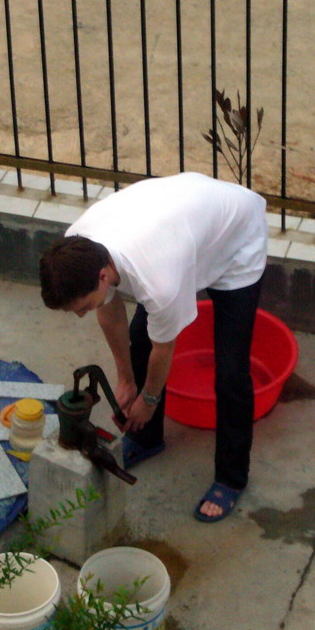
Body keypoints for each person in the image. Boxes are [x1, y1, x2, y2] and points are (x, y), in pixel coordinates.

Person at [38, 172, 268, 522]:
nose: (82, 314)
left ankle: (231, 478)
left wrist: (148, 399)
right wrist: (126, 380)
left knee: (231, 374)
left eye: (82, 305)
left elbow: (166, 348)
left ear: (102, 275)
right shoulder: (78, 247)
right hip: (180, 230)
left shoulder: (158, 279)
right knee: (140, 338)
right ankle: (148, 439)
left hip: (236, 237)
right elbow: (108, 313)